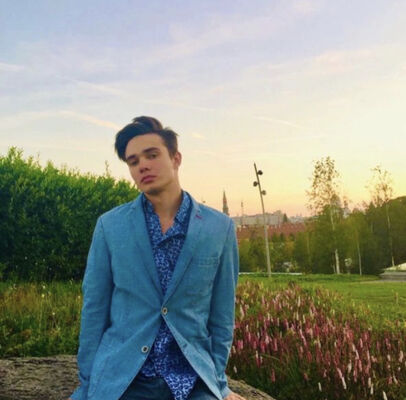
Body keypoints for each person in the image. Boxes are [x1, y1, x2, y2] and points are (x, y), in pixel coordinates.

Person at [69, 116, 245, 400]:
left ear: (176, 158)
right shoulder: (110, 226)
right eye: (133, 161)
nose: (142, 166)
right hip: (125, 379)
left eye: (152, 155)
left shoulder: (219, 228)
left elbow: (222, 315)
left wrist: (219, 384)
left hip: (192, 379)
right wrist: (89, 386)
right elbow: (94, 310)